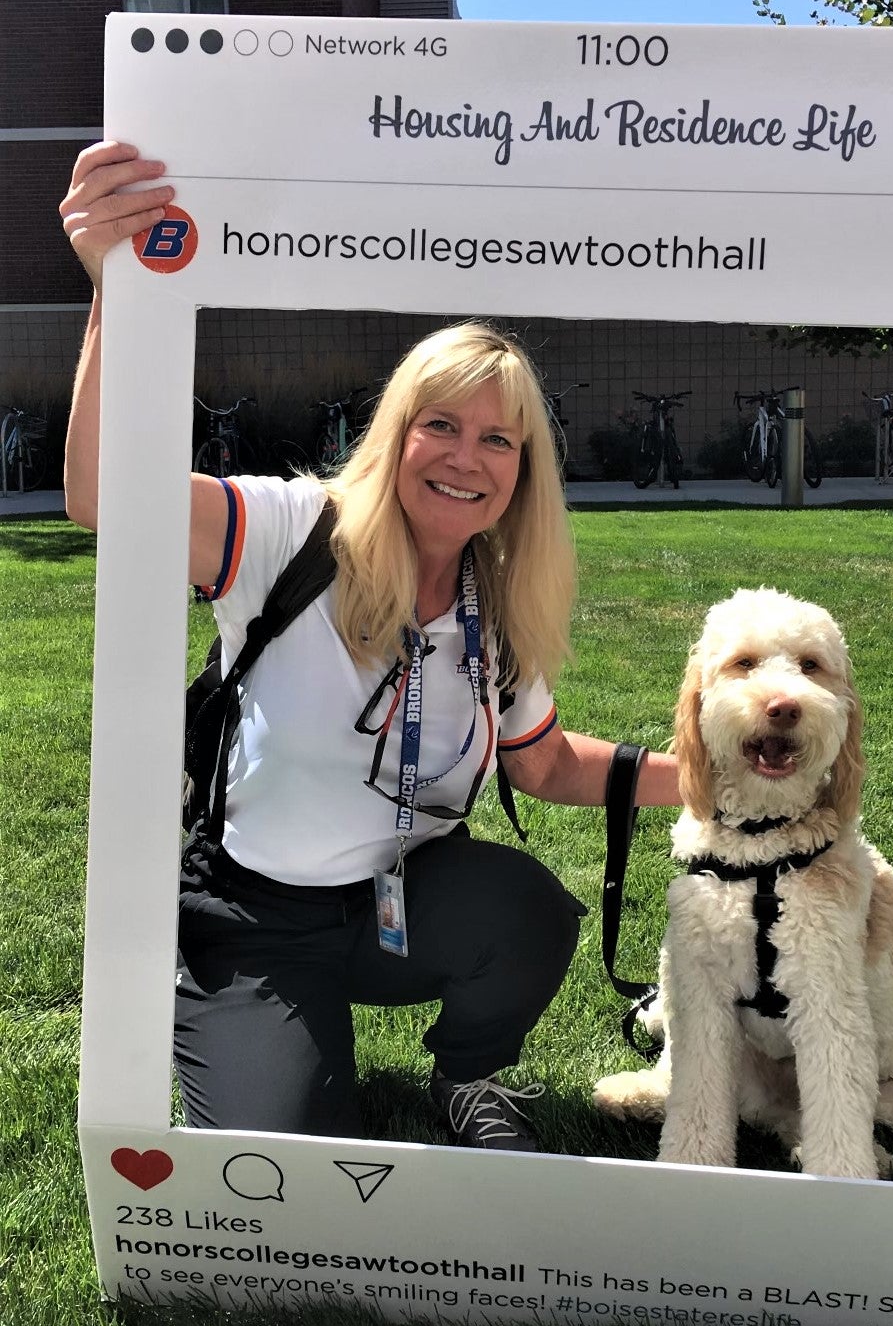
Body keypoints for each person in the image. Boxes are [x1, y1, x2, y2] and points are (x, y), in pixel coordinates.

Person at [61, 141, 681, 1152]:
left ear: (522, 472)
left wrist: (711, 778)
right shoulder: (287, 532)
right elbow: (100, 495)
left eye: (498, 440)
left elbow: (544, 763)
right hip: (253, 915)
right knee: (292, 1157)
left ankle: (470, 1079)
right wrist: (113, 289)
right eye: (441, 424)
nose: (465, 458)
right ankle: (247, 1019)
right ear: (397, 432)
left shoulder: (497, 602)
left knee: (525, 907)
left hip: (403, 897)